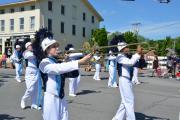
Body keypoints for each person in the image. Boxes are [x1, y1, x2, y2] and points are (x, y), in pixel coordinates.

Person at [34, 28, 91, 120]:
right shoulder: (44, 63)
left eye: (57, 46)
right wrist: (79, 62)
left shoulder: (59, 63)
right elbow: (57, 69)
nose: (57, 48)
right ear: (47, 50)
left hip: (62, 98)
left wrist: (69, 61)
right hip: (51, 99)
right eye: (54, 46)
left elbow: (73, 75)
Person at [112, 42, 143, 120]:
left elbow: (132, 60)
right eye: (127, 47)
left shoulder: (124, 56)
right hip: (124, 79)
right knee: (129, 100)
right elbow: (131, 62)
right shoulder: (120, 57)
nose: (129, 48)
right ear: (123, 49)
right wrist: (137, 53)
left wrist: (138, 54)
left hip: (126, 80)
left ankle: (117, 118)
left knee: (125, 101)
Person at [20, 41, 42, 110]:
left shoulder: (34, 52)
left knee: (35, 89)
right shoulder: (26, 53)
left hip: (36, 71)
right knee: (30, 88)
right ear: (27, 47)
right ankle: (23, 99)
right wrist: (38, 52)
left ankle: (34, 103)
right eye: (30, 45)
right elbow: (31, 56)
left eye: (32, 45)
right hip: (30, 72)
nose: (32, 46)